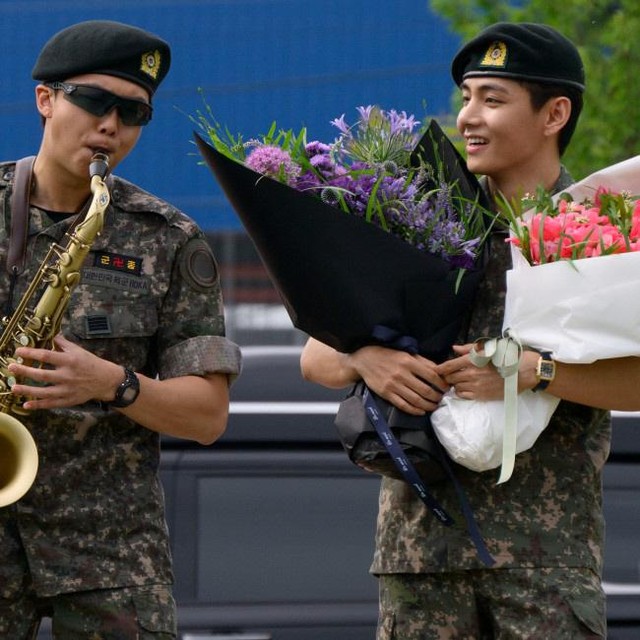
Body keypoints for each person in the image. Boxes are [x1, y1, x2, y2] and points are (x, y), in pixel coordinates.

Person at [301, 22, 640, 639]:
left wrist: (537, 372)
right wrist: (367, 360)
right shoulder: (420, 213)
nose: (468, 118)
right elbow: (315, 360)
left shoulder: (603, 228)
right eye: (466, 97)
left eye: (493, 99)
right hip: (419, 557)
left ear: (554, 114)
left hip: (544, 562)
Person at [0, 20, 241, 639]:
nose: (111, 125)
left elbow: (208, 416)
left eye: (133, 112)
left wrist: (112, 383)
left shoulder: (169, 238)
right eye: (93, 101)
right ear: (45, 99)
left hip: (112, 551)